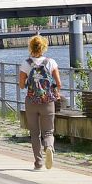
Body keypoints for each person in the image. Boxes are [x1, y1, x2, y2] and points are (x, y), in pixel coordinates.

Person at [18, 35, 62, 171]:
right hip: (47, 101)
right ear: (44, 47)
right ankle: (49, 147)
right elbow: (59, 83)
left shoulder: (26, 64)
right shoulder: (51, 62)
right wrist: (55, 90)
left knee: (34, 133)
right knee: (48, 132)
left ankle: (38, 162)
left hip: (31, 101)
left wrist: (28, 83)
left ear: (30, 47)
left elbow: (21, 85)